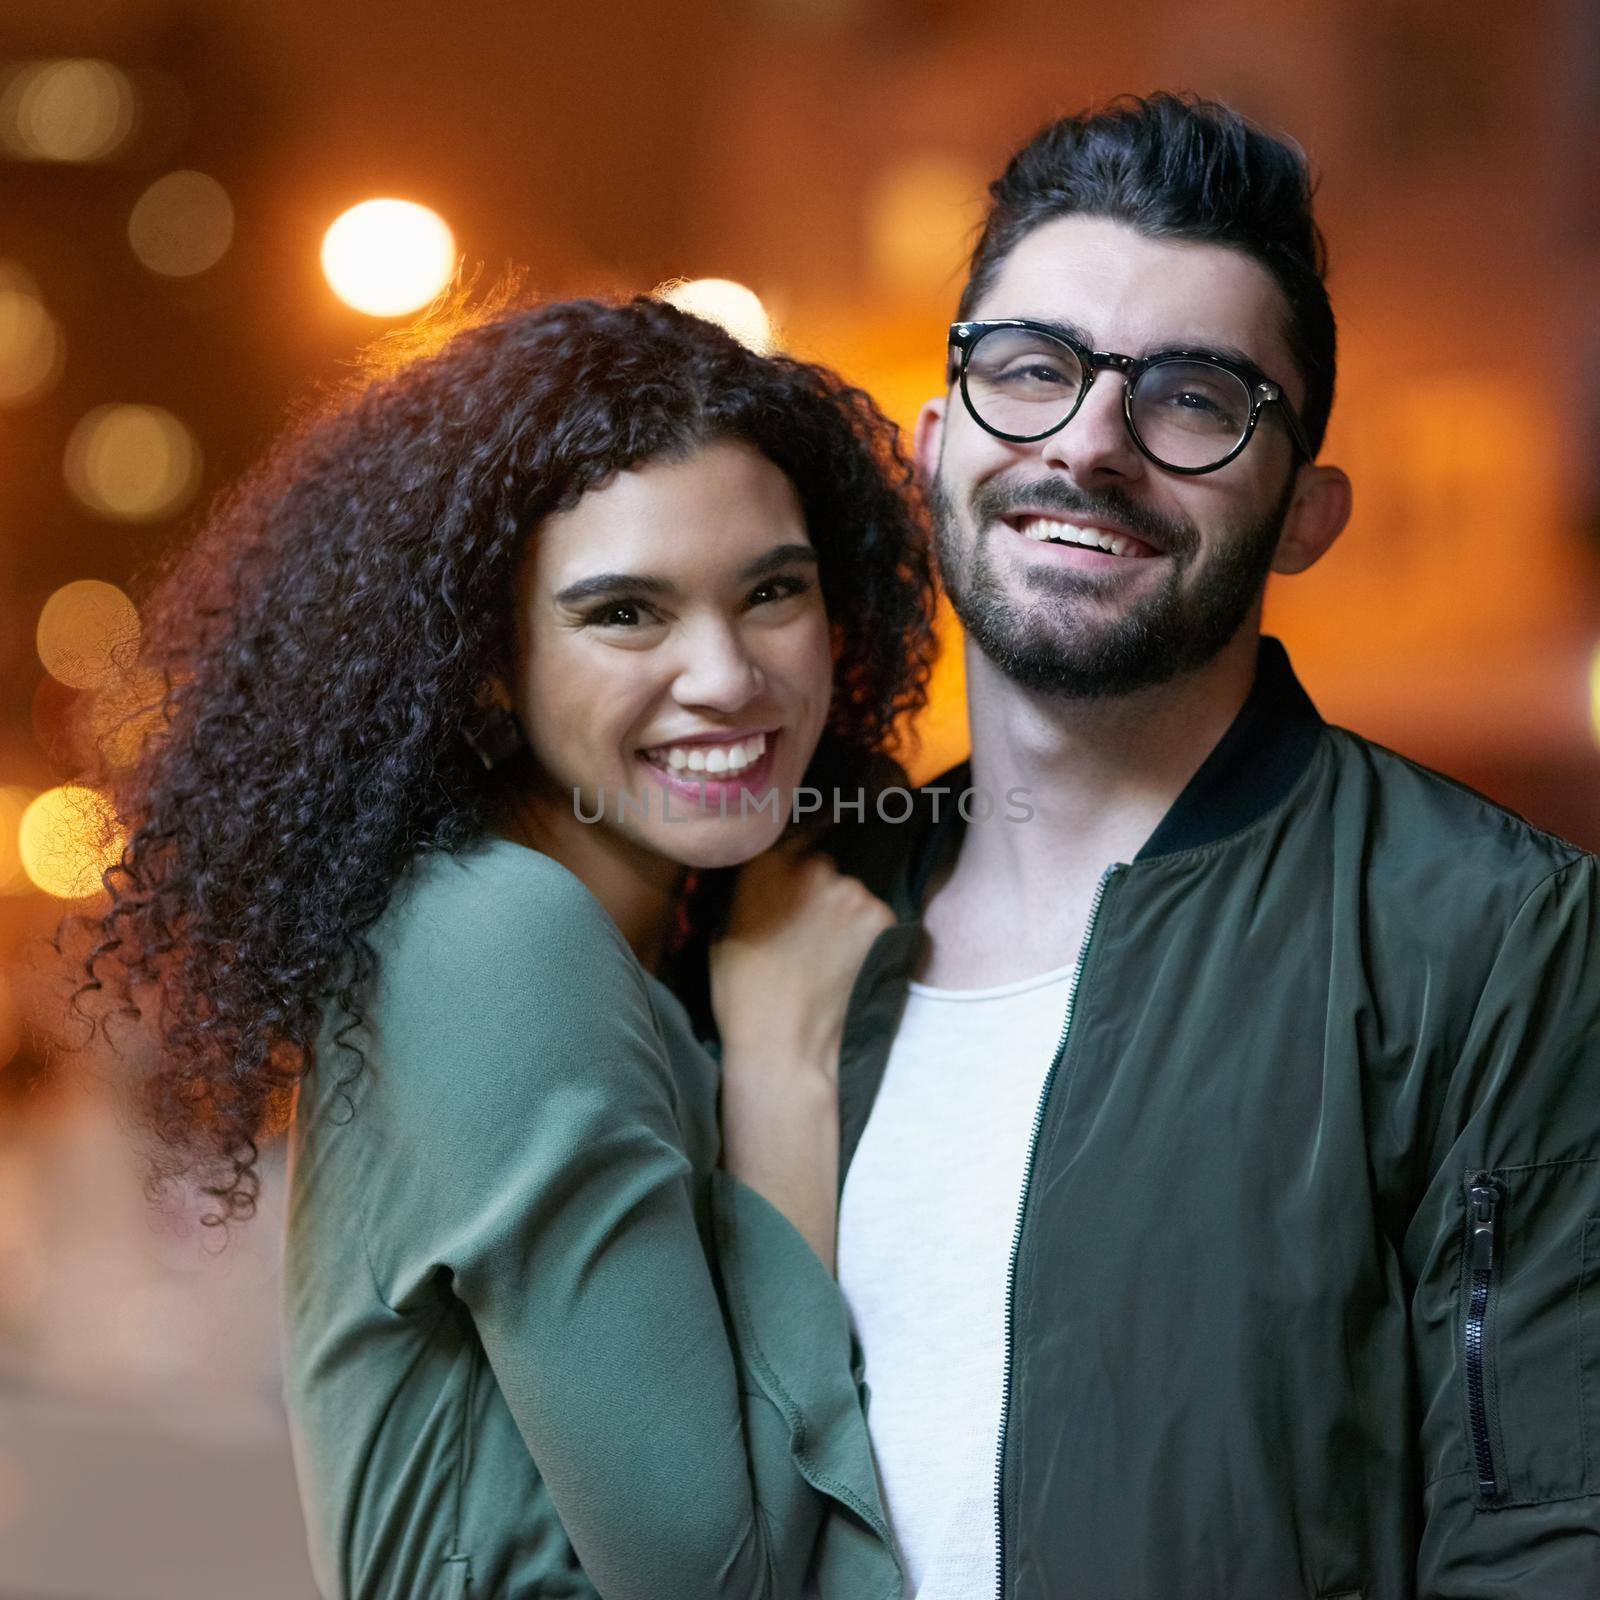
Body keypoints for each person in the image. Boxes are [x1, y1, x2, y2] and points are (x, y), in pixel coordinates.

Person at [822, 94, 1600, 1598]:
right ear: (935, 446)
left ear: (1307, 511)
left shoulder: (1496, 937)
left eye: (1192, 400)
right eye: (1032, 370)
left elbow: (1548, 1539)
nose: (1091, 443)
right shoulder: (801, 905)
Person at [73, 295, 937, 1599]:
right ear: (488, 662)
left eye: (772, 592)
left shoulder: (595, 939)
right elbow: (720, 1583)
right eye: (625, 614)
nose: (727, 675)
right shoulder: (499, 941)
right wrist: (783, 1070)